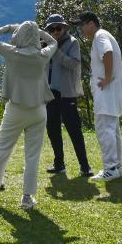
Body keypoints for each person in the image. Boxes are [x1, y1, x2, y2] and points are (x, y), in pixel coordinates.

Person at [0, 21, 58, 210]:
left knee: (2, 151)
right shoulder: (42, 55)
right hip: (38, 109)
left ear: (19, 36)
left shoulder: (11, 52)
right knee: (32, 155)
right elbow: (54, 42)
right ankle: (27, 197)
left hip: (15, 109)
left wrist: (9, 28)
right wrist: (38, 31)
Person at [75, 11, 122, 181]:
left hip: (107, 92)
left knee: (105, 130)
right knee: (112, 129)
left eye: (82, 25)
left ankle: (110, 168)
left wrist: (107, 77)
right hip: (111, 92)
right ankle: (116, 167)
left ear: (91, 23)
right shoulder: (103, 35)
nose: (81, 29)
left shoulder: (100, 36)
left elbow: (108, 52)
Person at [44, 14, 92, 177]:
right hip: (50, 93)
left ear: (64, 28)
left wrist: (56, 51)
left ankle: (85, 166)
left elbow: (74, 64)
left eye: (58, 28)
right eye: (52, 29)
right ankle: (59, 164)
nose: (55, 31)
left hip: (66, 93)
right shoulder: (46, 44)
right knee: (52, 129)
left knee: (74, 130)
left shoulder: (72, 43)